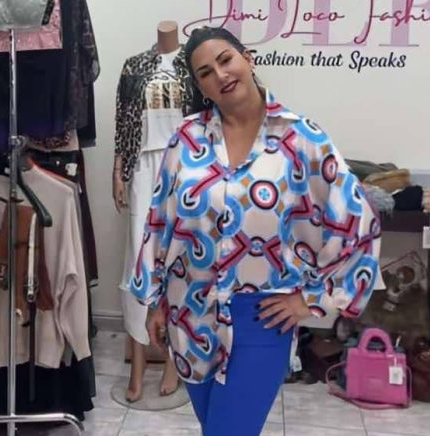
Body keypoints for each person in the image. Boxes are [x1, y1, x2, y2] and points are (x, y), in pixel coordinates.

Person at [129, 27, 381, 436]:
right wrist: (156, 300)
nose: (221, 75)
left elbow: (358, 223)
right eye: (205, 72)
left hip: (260, 315)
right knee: (214, 427)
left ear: (247, 57)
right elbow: (160, 221)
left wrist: (313, 298)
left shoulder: (301, 139)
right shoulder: (187, 139)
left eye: (226, 60)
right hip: (188, 312)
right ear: (200, 87)